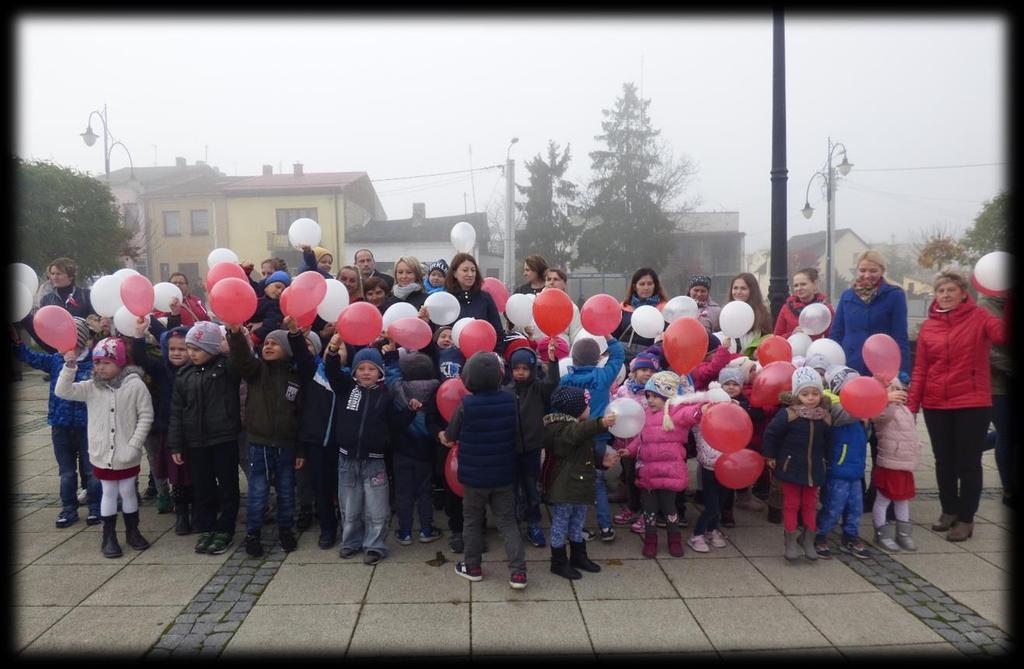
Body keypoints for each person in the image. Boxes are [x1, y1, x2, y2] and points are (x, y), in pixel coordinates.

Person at [908, 271, 1008, 542]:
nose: (945, 294)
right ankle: (949, 510)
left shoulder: (980, 317)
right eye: (941, 290)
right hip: (936, 402)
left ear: (964, 293)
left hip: (972, 402)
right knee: (944, 461)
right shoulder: (929, 327)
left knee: (968, 462)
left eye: (951, 290)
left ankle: (966, 518)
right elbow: (920, 369)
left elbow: (1002, 335)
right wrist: (911, 405)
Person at [56, 337, 154, 558]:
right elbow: (63, 391)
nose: (100, 367)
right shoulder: (91, 386)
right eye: (97, 362)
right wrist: (69, 368)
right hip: (102, 454)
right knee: (108, 492)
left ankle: (132, 530)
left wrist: (134, 444)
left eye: (106, 362)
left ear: (120, 362)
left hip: (127, 452)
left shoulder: (135, 385)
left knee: (128, 490)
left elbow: (146, 415)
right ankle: (108, 535)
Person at [441, 351, 527, 590]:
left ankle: (473, 567)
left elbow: (451, 436)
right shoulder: (510, 400)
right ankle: (518, 573)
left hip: (474, 477)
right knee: (508, 522)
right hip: (503, 474)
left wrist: (443, 436)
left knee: (471, 521)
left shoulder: (466, 405)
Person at [324, 337, 414, 564]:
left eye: (371, 369)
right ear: (354, 372)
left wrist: (410, 411)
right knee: (349, 505)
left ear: (379, 372)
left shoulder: (385, 395)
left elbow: (395, 424)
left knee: (377, 507)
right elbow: (332, 371)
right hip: (347, 460)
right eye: (361, 368)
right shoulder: (346, 388)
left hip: (374, 461)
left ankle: (374, 545)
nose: (366, 373)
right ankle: (351, 542)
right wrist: (333, 349)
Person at [228, 317, 313, 557]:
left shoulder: (296, 376)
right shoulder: (257, 371)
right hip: (259, 444)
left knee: (286, 490)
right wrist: (235, 334)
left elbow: (299, 414)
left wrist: (295, 334)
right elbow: (242, 358)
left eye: (274, 344)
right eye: (265, 343)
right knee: (258, 490)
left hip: (287, 445)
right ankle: (252, 534)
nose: (267, 346)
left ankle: (286, 530)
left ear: (286, 350)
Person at [13, 317, 102, 527]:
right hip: (60, 425)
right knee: (66, 472)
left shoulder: (94, 363)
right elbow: (31, 357)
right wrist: (16, 343)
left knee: (92, 470)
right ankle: (68, 508)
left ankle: (96, 508)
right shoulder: (55, 360)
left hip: (87, 425)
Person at [169, 321, 242, 555]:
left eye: (197, 349)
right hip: (195, 442)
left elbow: (242, 360)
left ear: (212, 348)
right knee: (203, 488)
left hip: (223, 438)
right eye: (189, 348)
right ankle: (207, 527)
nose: (191, 353)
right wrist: (176, 444)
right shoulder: (184, 374)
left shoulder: (226, 368)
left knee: (228, 486)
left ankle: (225, 529)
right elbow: (177, 411)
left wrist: (234, 337)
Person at [618, 371, 708, 558]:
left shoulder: (676, 413)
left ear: (667, 397)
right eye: (648, 396)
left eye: (655, 397)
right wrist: (630, 450)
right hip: (648, 472)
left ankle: (674, 539)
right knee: (649, 510)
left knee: (669, 509)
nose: (650, 400)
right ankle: (651, 540)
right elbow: (640, 438)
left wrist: (702, 409)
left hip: (670, 473)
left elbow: (691, 414)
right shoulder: (645, 415)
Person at [542, 385, 618, 580]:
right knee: (560, 523)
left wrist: (602, 462)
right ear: (575, 409)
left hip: (581, 484)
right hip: (564, 486)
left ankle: (578, 556)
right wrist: (600, 423)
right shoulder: (560, 428)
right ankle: (558, 562)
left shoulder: (575, 426)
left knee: (578, 521)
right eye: (587, 405)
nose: (590, 408)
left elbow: (584, 454)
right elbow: (577, 433)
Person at [559, 334, 625, 542]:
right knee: (597, 483)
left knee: (573, 483)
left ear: (573, 359)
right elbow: (619, 356)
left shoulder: (565, 380)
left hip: (574, 438)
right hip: (598, 437)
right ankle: (605, 527)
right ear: (597, 359)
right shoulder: (603, 376)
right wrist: (609, 337)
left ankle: (573, 528)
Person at [762, 367, 832, 562]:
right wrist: (770, 456)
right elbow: (771, 434)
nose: (811, 398)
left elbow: (828, 442)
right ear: (797, 395)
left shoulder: (825, 417)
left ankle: (808, 539)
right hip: (791, 467)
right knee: (791, 504)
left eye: (815, 393)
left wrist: (828, 461)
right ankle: (790, 540)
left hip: (814, 469)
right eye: (805, 394)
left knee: (810, 505)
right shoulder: (789, 414)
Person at [504, 337, 560, 548]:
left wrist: (552, 362)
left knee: (531, 488)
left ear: (532, 370)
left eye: (525, 368)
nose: (520, 372)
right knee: (512, 489)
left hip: (532, 448)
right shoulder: (506, 391)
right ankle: (515, 523)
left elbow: (552, 382)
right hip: (510, 449)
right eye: (516, 368)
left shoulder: (538, 388)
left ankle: (534, 523)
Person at [385, 349, 444, 545]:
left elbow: (391, 376)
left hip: (401, 450)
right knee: (424, 491)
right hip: (425, 451)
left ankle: (405, 532)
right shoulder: (438, 389)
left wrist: (392, 356)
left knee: (403, 492)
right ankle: (426, 530)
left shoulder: (398, 389)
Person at [813, 366, 872, 560]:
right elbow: (845, 416)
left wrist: (867, 424)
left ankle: (850, 535)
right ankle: (819, 534)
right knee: (833, 505)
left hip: (855, 469)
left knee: (856, 507)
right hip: (838, 468)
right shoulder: (834, 405)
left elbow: (865, 435)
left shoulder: (859, 410)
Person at [831, 250, 911, 384]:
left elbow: (900, 335)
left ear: (882, 271)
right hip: (850, 363)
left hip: (881, 366)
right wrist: (833, 365)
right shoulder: (847, 296)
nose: (867, 275)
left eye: (873, 271)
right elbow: (836, 333)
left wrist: (902, 372)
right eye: (862, 270)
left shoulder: (895, 295)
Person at [611, 353, 659, 533]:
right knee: (630, 477)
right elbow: (615, 409)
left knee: (645, 480)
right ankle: (632, 507)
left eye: (652, 371)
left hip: (646, 445)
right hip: (625, 444)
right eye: (644, 370)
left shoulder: (654, 394)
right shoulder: (624, 391)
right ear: (634, 372)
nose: (648, 374)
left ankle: (646, 514)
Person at [871, 378, 920, 552]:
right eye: (891, 389)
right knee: (883, 498)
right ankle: (881, 532)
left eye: (899, 388)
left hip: (904, 464)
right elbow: (881, 415)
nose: (897, 392)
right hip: (889, 462)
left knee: (902, 499)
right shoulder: (883, 411)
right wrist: (885, 399)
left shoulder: (905, 410)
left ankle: (904, 533)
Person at [978, 294, 1013, 508]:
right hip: (997, 383)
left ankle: (967, 447)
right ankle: (1009, 489)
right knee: (1007, 433)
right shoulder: (985, 306)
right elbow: (985, 348)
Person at [445, 253, 505, 354]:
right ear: (454, 273)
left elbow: (498, 331)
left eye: (473, 270)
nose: (470, 274)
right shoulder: (447, 299)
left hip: (483, 356)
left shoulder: (485, 298)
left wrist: (495, 354)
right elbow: (441, 332)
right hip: (454, 357)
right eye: (465, 270)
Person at [611, 268, 669, 365]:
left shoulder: (665, 309)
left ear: (655, 286)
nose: (646, 288)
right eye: (642, 284)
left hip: (650, 360)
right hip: (623, 358)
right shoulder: (623, 307)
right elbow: (614, 335)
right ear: (635, 286)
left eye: (650, 284)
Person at [773, 267, 834, 339]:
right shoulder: (786, 308)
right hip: (792, 349)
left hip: (817, 349)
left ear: (814, 284)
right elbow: (776, 338)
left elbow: (832, 336)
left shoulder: (825, 309)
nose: (799, 288)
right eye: (796, 285)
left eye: (803, 284)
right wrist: (793, 334)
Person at [723, 273, 773, 356]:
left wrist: (756, 351)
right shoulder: (726, 312)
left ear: (752, 291)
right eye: (735, 288)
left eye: (743, 288)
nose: (738, 292)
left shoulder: (761, 314)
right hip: (729, 360)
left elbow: (767, 339)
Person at [249, 270, 290, 344]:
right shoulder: (261, 298)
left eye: (283, 290)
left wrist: (253, 339)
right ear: (267, 285)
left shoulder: (276, 305)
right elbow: (249, 286)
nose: (280, 291)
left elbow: (271, 324)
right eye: (277, 287)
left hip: (260, 342)